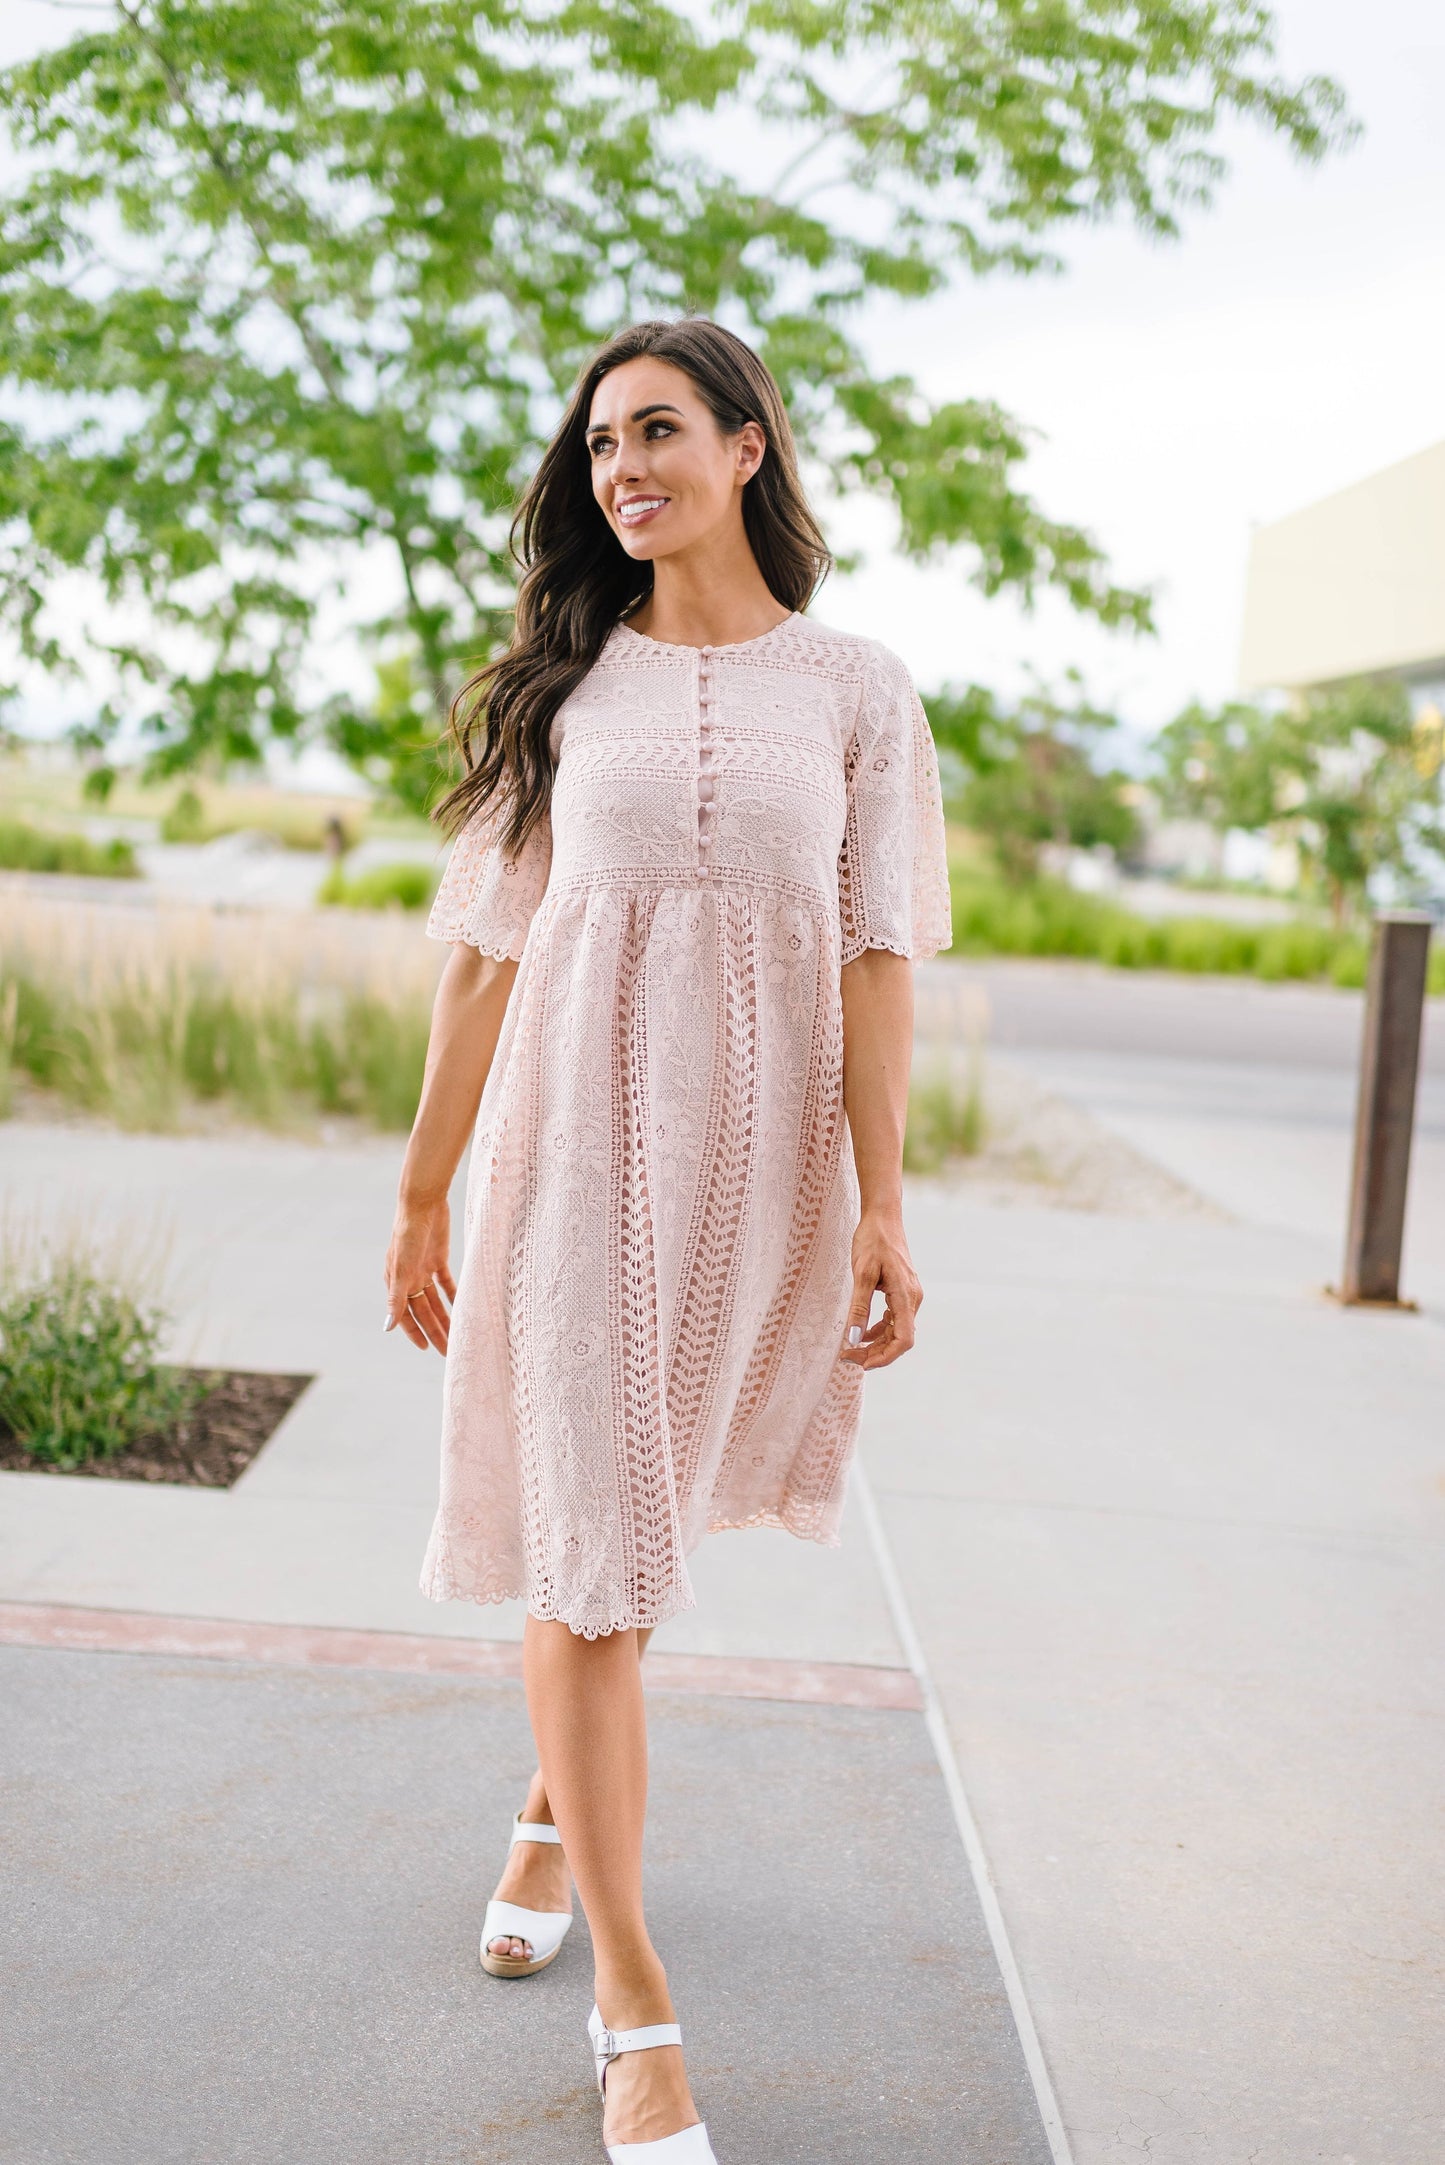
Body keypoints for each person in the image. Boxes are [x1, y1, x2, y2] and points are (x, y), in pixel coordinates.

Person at [382, 317, 952, 2162]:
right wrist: (416, 1187)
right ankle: (641, 2014)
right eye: (600, 442)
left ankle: (553, 1810)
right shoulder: (566, 685)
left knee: (638, 1516)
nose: (622, 467)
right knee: (594, 1551)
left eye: (658, 431)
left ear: (749, 446)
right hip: (564, 1169)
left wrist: (882, 1197)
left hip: (754, 1169)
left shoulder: (857, 689)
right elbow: (481, 957)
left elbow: (874, 957)